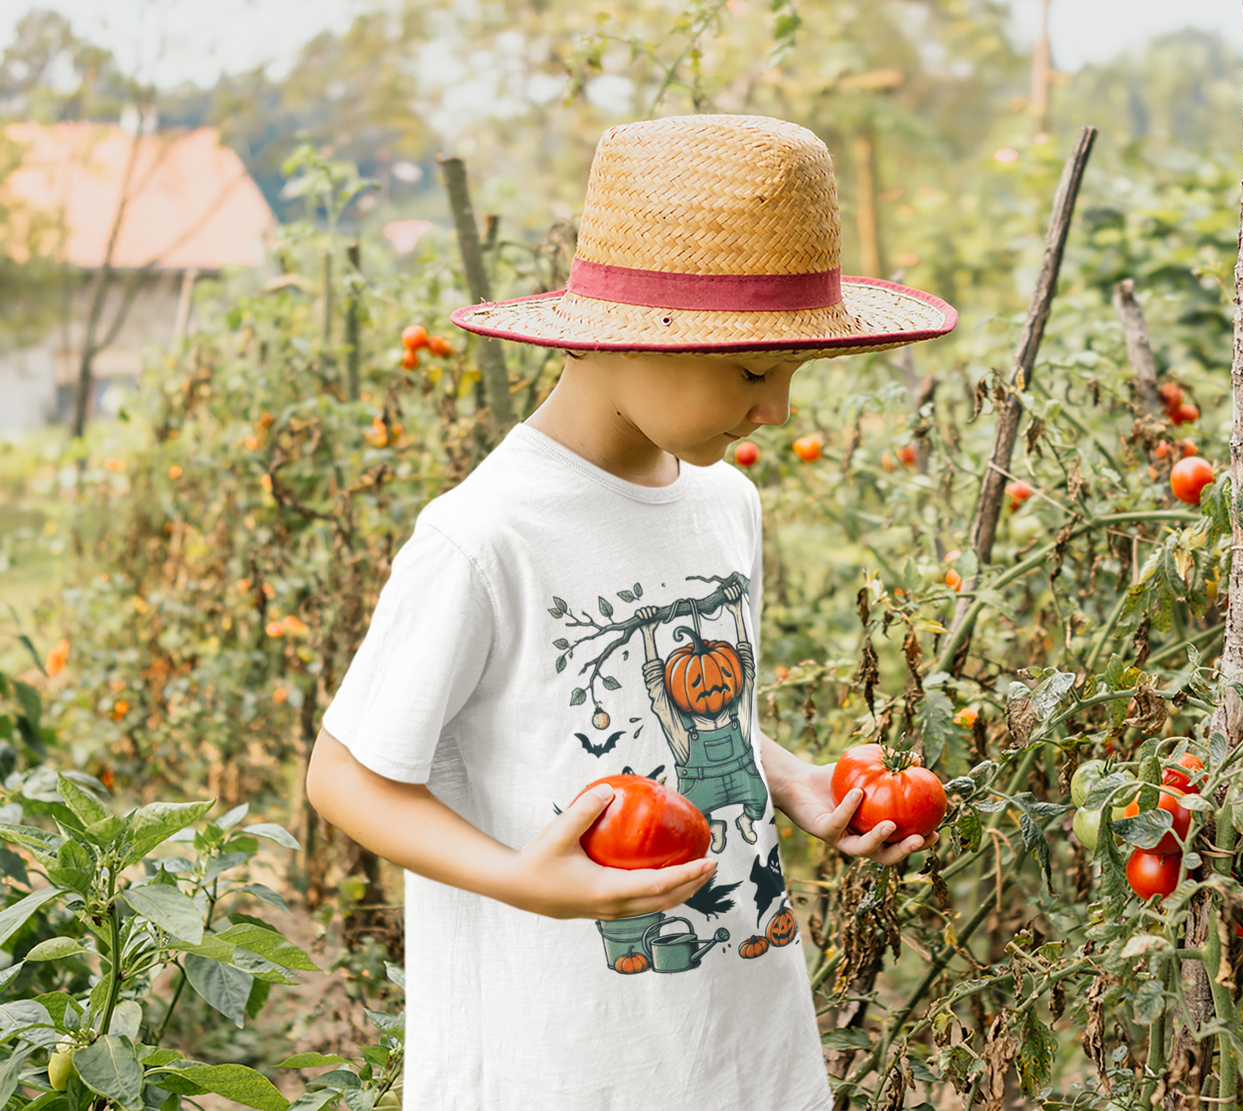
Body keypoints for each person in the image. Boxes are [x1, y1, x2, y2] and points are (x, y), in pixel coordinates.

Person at [306, 113, 957, 1111]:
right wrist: (524, 879)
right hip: (561, 1058)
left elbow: (693, 706)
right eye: (749, 372)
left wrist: (793, 782)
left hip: (738, 1032)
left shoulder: (720, 501)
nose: (776, 410)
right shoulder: (486, 535)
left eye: (791, 372)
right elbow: (346, 775)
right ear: (622, 340)